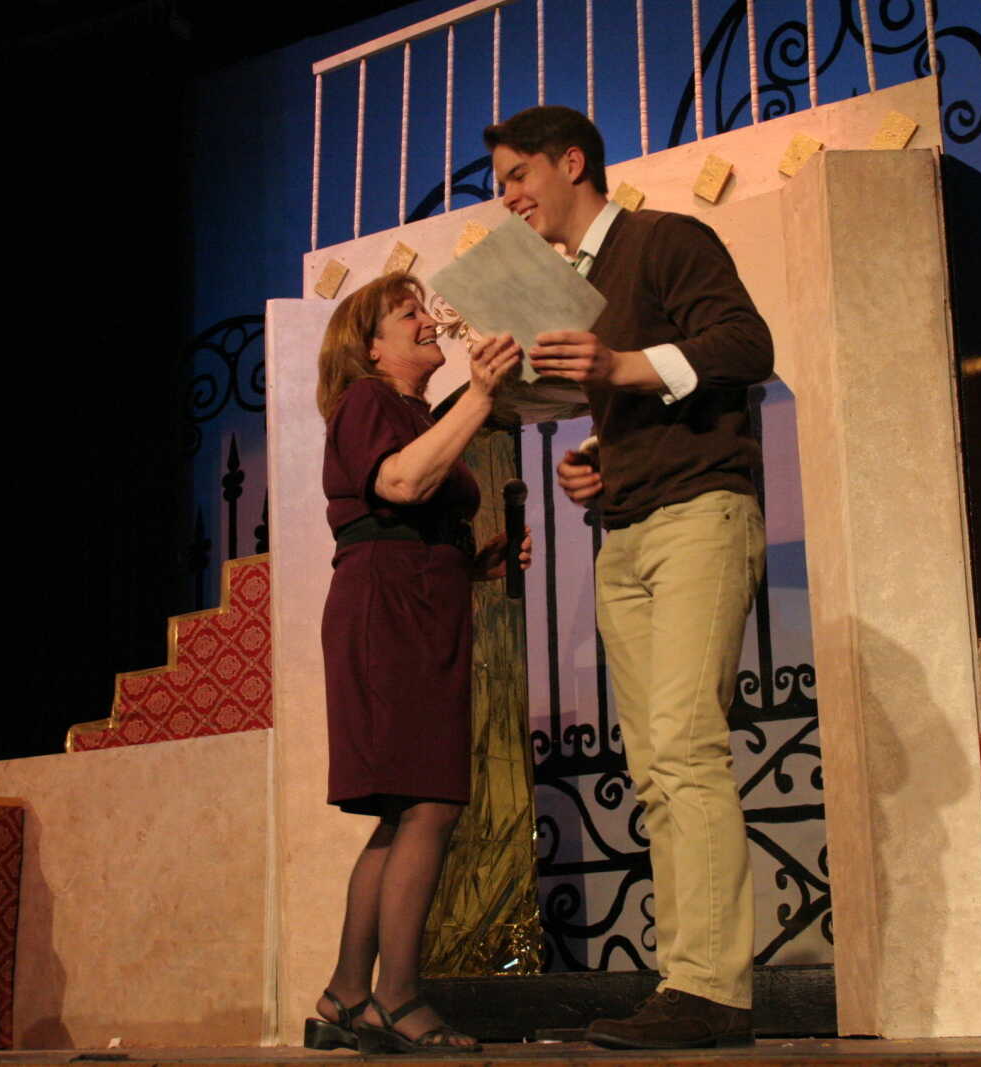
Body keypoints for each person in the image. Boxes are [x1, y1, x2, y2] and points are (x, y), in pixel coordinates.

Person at [484, 106, 774, 1049]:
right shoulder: (570, 282)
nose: (509, 196)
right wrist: (601, 454)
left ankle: (712, 988)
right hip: (629, 528)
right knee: (653, 770)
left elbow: (746, 347)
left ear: (573, 162)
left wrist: (621, 364)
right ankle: (687, 982)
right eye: (500, 184)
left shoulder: (663, 240)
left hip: (700, 516)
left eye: (519, 174)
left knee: (685, 749)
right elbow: (634, 397)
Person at [305, 272, 529, 1055]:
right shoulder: (367, 401)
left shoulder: (410, 413)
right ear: (370, 346)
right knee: (428, 803)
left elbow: (413, 507)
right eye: (410, 314)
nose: (430, 321)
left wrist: (473, 563)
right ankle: (397, 997)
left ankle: (346, 995)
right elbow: (398, 482)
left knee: (405, 809)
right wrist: (482, 394)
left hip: (419, 607)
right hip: (388, 614)